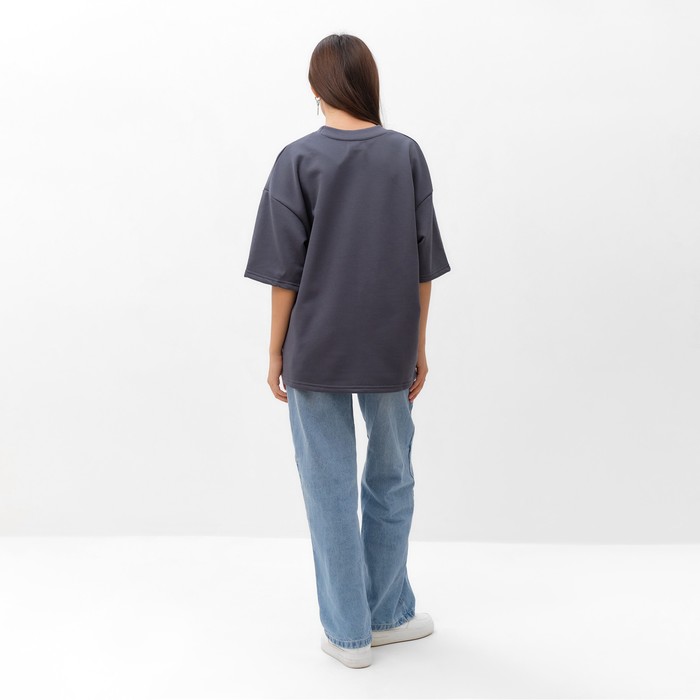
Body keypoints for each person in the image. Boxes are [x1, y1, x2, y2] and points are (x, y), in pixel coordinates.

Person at [243, 33, 451, 669]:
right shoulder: (405, 153)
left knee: (328, 486)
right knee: (392, 478)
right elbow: (423, 265)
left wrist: (275, 350)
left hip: (317, 347)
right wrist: (418, 345)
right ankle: (386, 615)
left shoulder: (296, 160)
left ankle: (349, 633)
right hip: (389, 345)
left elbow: (284, 273)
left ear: (315, 87)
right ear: (368, 81)